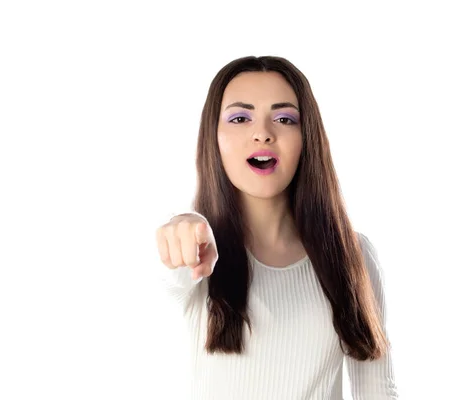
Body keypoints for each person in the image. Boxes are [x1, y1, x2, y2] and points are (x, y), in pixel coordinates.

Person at [155, 55, 398, 399]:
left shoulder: (352, 255)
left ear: (306, 138)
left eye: (284, 119)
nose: (262, 134)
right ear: (215, 137)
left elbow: (377, 391)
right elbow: (170, 271)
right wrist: (183, 229)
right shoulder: (198, 252)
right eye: (240, 118)